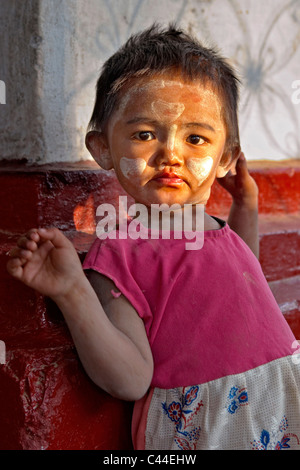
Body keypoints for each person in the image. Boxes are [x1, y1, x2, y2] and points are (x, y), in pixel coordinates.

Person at [7, 25, 300, 450]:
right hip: (212, 427)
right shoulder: (121, 254)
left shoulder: (215, 228)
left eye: (196, 138)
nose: (171, 154)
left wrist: (245, 209)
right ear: (103, 148)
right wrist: (73, 291)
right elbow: (131, 379)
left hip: (280, 397)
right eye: (145, 134)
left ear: (226, 158)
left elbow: (243, 276)